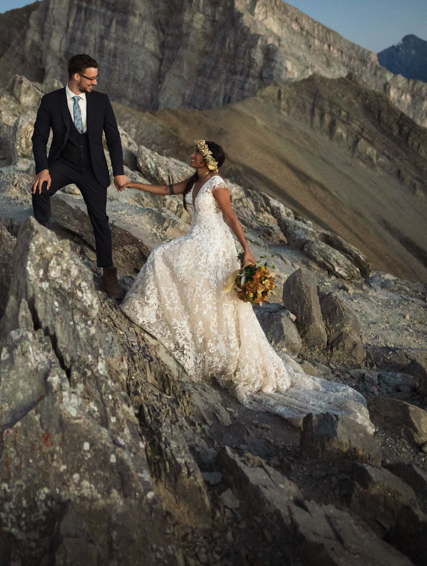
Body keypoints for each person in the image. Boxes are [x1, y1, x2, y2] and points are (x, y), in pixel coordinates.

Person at [120, 140, 372, 428]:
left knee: (168, 260)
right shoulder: (195, 180)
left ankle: (204, 343)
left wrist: (247, 250)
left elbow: (231, 218)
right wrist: (132, 185)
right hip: (198, 240)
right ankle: (182, 327)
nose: (191, 155)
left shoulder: (217, 184)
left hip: (214, 245)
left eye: (197, 154)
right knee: (171, 265)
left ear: (209, 160)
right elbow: (167, 190)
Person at [31, 53, 129, 299]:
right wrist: (43, 168)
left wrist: (118, 171)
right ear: (76, 76)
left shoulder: (101, 102)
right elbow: (39, 138)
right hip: (62, 163)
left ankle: (108, 273)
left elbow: (114, 139)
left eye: (96, 78)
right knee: (39, 189)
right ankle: (43, 235)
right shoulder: (51, 101)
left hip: (93, 168)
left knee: (100, 221)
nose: (95, 82)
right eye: (91, 78)